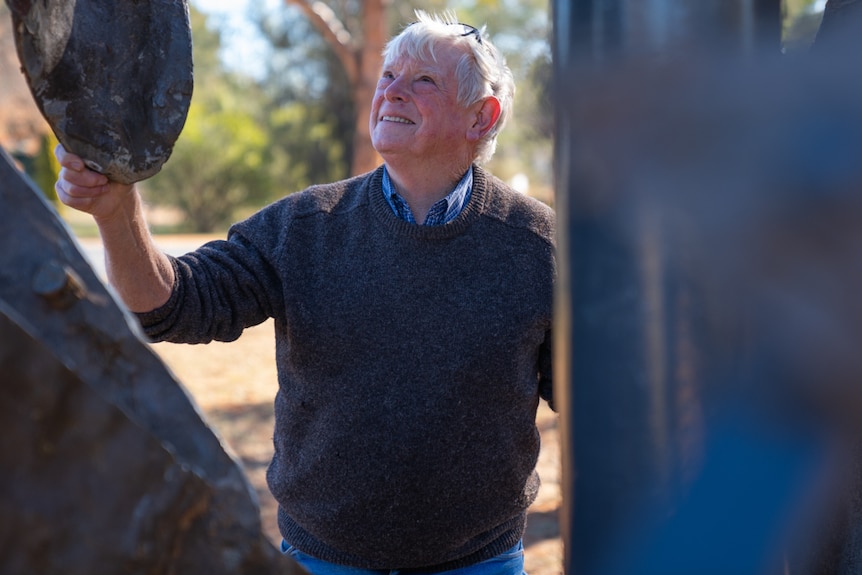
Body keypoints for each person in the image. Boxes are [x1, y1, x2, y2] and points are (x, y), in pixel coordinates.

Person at [56, 10, 555, 575]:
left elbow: (598, 405)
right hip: (323, 561)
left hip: (479, 564)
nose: (391, 90)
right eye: (388, 75)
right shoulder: (303, 225)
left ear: (481, 117)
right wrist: (116, 211)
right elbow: (171, 307)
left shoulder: (540, 246)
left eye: (423, 81)